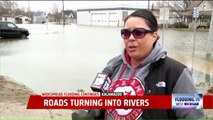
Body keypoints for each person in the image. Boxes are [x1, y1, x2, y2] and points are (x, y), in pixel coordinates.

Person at [72, 9, 205, 120]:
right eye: (126, 33)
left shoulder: (177, 72)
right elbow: (101, 100)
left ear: (154, 36)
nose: (131, 38)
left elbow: (194, 116)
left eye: (138, 33)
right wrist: (91, 113)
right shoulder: (113, 65)